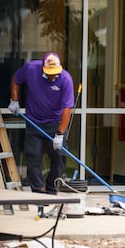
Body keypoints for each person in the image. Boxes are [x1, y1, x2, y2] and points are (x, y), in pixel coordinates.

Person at [8, 52, 74, 194]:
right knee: (33, 157)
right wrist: (14, 100)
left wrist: (60, 134)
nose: (53, 76)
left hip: (55, 123)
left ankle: (51, 187)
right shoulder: (31, 69)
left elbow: (67, 109)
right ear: (42, 68)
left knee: (60, 157)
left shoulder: (65, 79)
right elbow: (16, 79)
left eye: (55, 73)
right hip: (34, 121)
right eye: (50, 73)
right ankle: (39, 191)